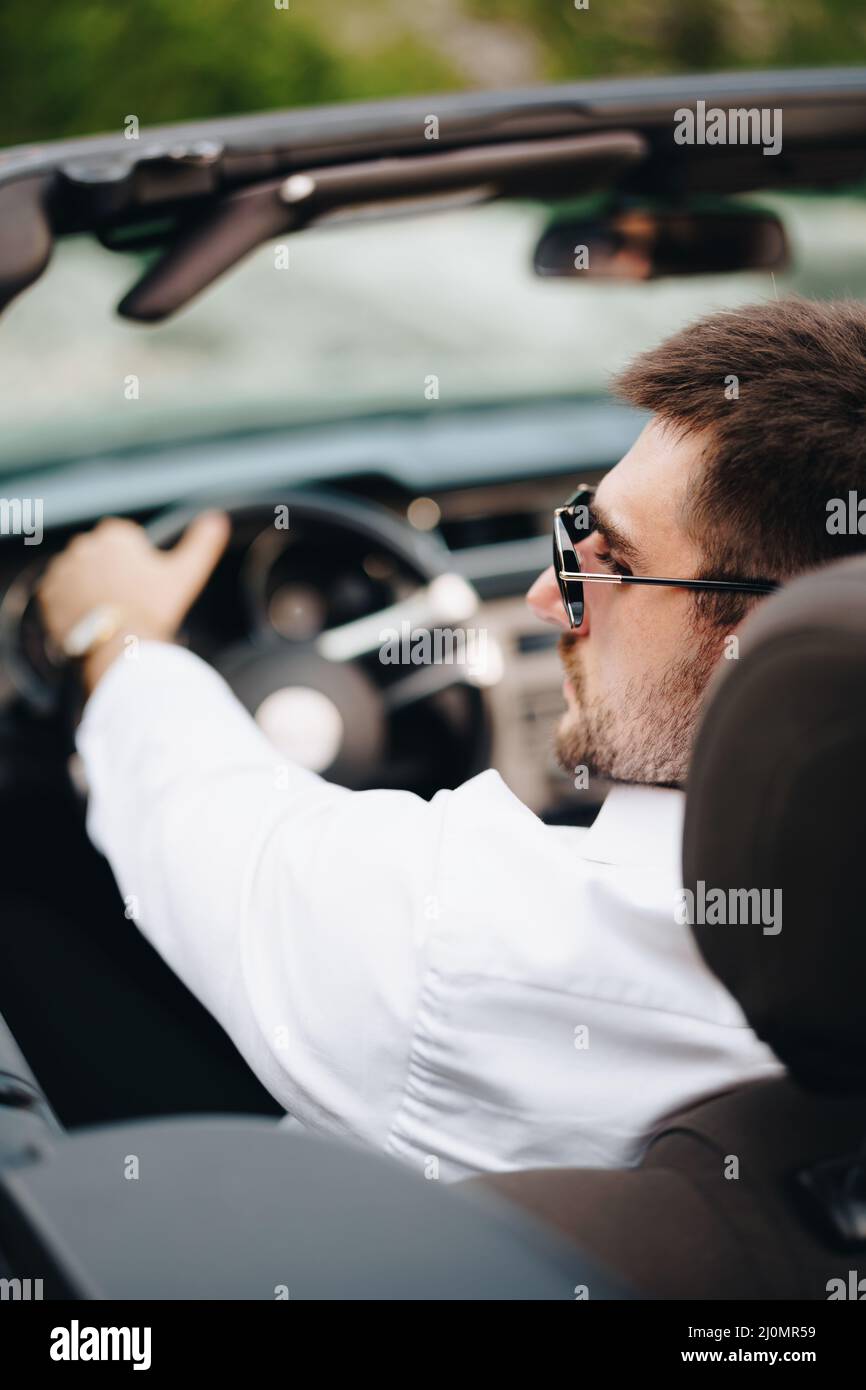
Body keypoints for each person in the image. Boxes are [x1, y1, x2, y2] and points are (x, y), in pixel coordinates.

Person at [37, 299, 866, 1179]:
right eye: (572, 527)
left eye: (610, 562)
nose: (549, 598)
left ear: (787, 637)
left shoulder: (495, 950)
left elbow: (207, 826)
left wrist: (112, 630)